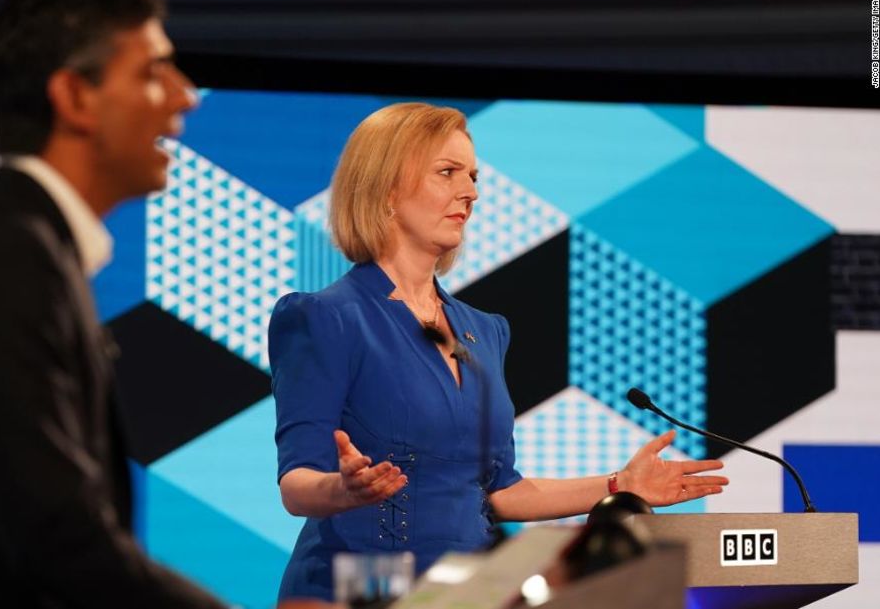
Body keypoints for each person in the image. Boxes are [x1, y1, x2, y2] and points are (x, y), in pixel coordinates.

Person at [269, 102, 730, 601]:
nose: (470, 192)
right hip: (357, 588)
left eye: (472, 176)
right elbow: (298, 484)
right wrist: (345, 489)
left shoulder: (484, 332)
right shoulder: (325, 317)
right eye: (447, 173)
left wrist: (620, 484)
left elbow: (501, 491)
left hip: (471, 591)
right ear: (386, 191)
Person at [0, 0, 225, 607]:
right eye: (152, 72)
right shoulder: (5, 255)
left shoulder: (26, 249)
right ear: (75, 97)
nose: (183, 97)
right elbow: (57, 538)